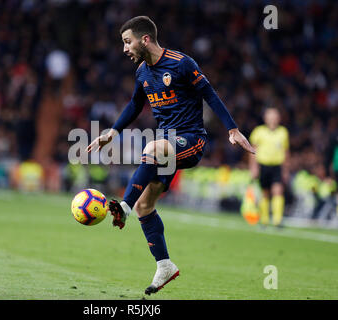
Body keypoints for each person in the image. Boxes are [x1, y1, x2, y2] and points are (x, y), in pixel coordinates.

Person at [86, 16, 255, 295]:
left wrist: (233, 129)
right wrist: (112, 132)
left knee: (151, 149)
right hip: (166, 146)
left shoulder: (181, 63)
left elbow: (210, 94)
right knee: (146, 206)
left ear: (145, 39)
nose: (125, 49)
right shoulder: (142, 72)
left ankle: (122, 208)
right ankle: (164, 264)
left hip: (191, 140)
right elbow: (134, 104)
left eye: (128, 42)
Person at [248, 107, 290, 228]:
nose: (273, 119)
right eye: (270, 117)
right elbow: (252, 150)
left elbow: (286, 152)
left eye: (275, 117)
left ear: (279, 119)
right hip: (263, 165)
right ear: (265, 119)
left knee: (278, 191)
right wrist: (253, 167)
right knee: (265, 192)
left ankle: (277, 220)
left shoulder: (283, 132)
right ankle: (265, 220)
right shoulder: (259, 131)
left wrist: (286, 169)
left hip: (277, 166)